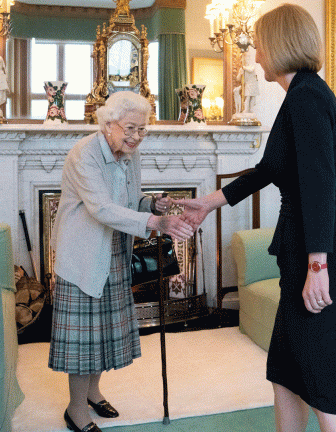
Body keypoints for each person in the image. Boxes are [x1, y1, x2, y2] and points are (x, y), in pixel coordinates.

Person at [178, 4, 336, 432]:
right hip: (307, 248)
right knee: (285, 375)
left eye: (260, 43)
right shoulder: (299, 95)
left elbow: (319, 186)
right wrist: (210, 201)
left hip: (325, 253)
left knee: (325, 390)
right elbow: (270, 169)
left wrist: (318, 265)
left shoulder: (307, 97)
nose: (256, 53)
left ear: (280, 43)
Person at [48, 91, 194, 432]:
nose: (136, 136)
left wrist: (150, 205)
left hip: (114, 251)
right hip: (83, 256)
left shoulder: (130, 154)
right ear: (108, 123)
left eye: (142, 130)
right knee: (83, 340)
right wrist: (157, 224)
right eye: (130, 128)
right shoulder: (84, 155)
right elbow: (101, 208)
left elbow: (128, 200)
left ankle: (93, 392)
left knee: (102, 335)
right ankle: (75, 411)